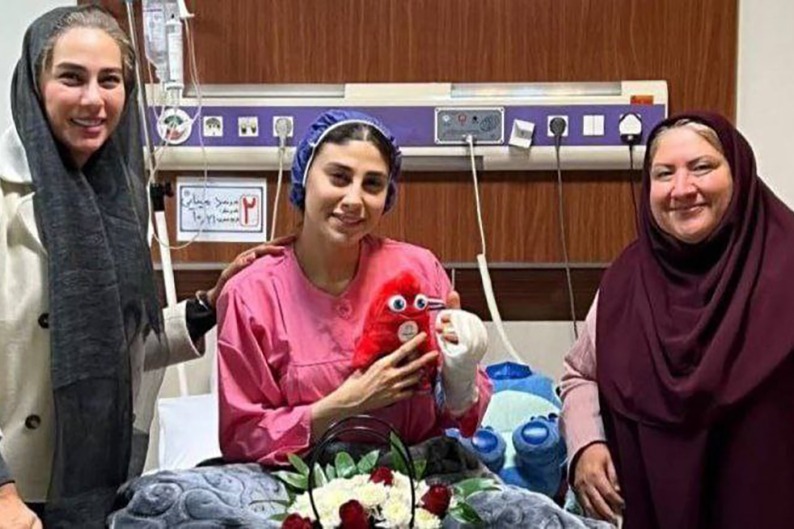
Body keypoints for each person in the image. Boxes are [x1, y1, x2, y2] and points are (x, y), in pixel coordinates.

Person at [0, 6, 281, 528]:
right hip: (14, 488)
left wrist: (206, 308)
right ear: (35, 85)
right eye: (71, 78)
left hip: (89, 481)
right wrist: (1, 493)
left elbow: (115, 344)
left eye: (110, 80)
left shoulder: (119, 200)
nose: (93, 99)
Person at [216, 109, 493, 466]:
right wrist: (345, 404)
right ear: (304, 177)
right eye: (339, 177)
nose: (353, 200)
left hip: (417, 477)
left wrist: (460, 375)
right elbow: (242, 439)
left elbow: (462, 418)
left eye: (372, 184)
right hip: (297, 480)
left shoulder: (419, 270)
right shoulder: (251, 294)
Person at [560, 112, 794, 529]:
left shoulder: (787, 266)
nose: (682, 189)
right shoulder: (627, 280)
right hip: (653, 508)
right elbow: (580, 374)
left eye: (702, 167)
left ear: (739, 172)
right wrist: (586, 444)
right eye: (664, 174)